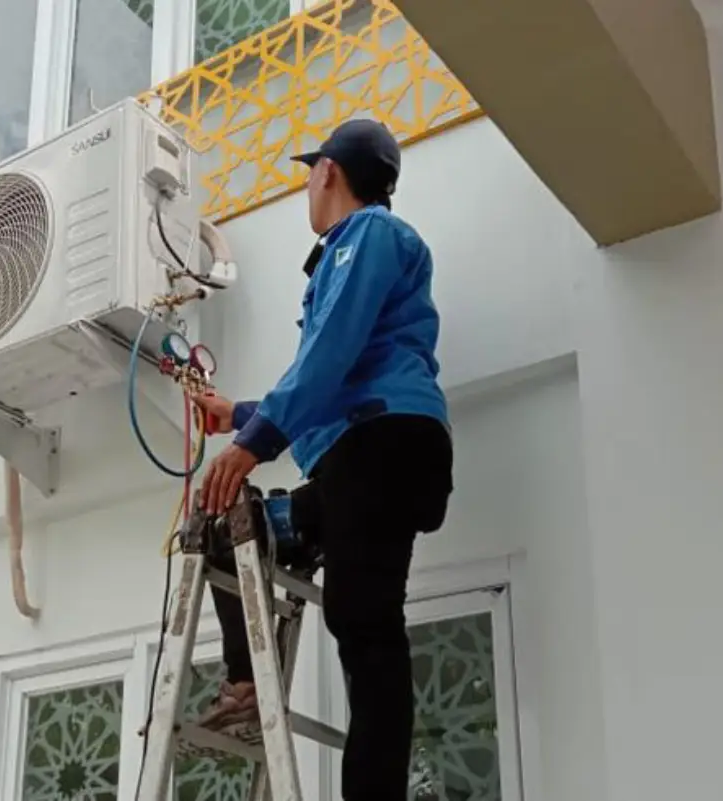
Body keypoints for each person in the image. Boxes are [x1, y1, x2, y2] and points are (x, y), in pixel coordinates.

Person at [191, 118, 454, 800]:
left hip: (383, 448)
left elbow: (331, 354)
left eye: (310, 173)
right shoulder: (351, 251)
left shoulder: (368, 235)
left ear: (328, 171)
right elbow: (332, 377)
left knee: (365, 625)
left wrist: (253, 443)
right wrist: (240, 415)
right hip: (354, 459)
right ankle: (247, 684)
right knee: (231, 531)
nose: (309, 186)